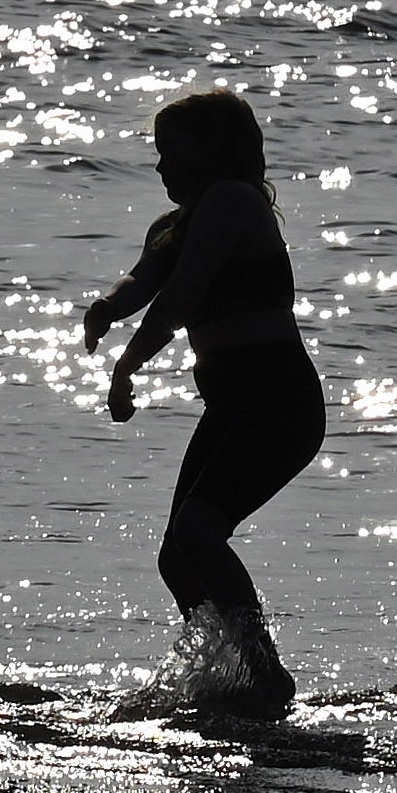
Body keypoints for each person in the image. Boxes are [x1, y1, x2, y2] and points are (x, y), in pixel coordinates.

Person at [79, 86, 326, 720]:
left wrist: (127, 366)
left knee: (198, 531)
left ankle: (262, 672)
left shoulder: (233, 202)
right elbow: (147, 278)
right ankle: (226, 673)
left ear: (214, 150)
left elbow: (182, 295)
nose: (160, 166)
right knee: (177, 553)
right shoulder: (176, 222)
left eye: (171, 152)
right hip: (234, 404)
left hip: (278, 400)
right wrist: (108, 305)